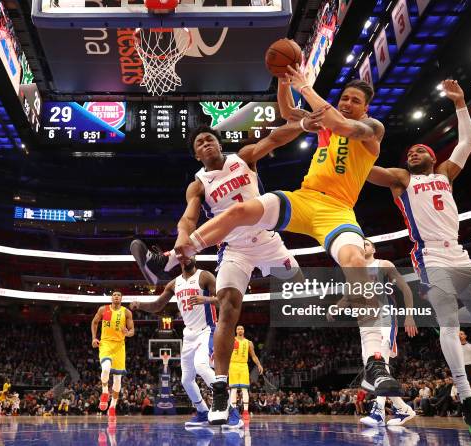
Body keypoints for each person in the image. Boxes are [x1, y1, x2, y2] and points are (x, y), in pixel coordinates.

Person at [167, 73, 402, 402]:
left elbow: (345, 127)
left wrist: (304, 84)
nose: (347, 103)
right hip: (304, 199)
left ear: (366, 109)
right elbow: (290, 112)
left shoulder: (371, 129)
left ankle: (376, 364)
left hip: (336, 211)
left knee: (356, 265)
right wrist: (283, 79)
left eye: (355, 100)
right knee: (238, 212)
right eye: (344, 98)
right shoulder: (326, 124)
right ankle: (176, 254)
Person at [131, 115, 322, 424]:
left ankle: (164, 261)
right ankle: (220, 387)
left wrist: (301, 126)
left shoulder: (243, 158)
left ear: (219, 144)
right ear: (196, 154)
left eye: (209, 139)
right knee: (228, 308)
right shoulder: (198, 184)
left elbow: (273, 139)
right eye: (199, 143)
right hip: (235, 250)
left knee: (299, 285)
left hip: (269, 241)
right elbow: (189, 219)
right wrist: (182, 235)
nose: (206, 144)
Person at [367, 79, 471, 437]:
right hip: (430, 254)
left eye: (419, 151)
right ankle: (470, 402)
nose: (412, 154)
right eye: (409, 152)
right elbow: (366, 170)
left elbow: (468, 141)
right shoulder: (402, 180)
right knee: (451, 324)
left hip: (459, 251)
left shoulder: (445, 174)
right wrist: (351, 138)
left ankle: (448, 315)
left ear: (433, 157)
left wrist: (459, 103)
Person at [131, 258, 243, 428]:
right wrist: (139, 304)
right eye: (183, 256)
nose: (186, 258)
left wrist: (205, 299)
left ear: (195, 257)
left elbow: (224, 300)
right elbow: (157, 306)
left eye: (190, 254)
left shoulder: (204, 276)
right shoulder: (174, 284)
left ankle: (231, 410)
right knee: (186, 380)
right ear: (179, 261)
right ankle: (203, 412)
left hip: (207, 329)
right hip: (189, 334)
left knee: (202, 365)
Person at [359, 238, 417, 426]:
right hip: (365, 323)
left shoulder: (383, 264)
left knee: (380, 363)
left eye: (366, 243)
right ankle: (402, 409)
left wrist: (409, 315)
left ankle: (378, 412)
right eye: (360, 244)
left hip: (385, 317)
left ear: (374, 248)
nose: (363, 245)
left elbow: (405, 288)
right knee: (374, 370)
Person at [91, 290, 135, 418]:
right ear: (111, 298)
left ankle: (112, 406)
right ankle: (105, 392)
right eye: (114, 295)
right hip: (105, 343)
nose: (116, 297)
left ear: (121, 298)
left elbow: (132, 330)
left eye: (119, 295)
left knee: (117, 380)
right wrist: (94, 338)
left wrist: (128, 333)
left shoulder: (126, 312)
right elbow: (94, 322)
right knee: (105, 368)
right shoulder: (103, 309)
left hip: (119, 346)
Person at [229, 325, 263, 422]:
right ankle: (234, 412)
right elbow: (226, 353)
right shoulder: (231, 340)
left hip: (244, 365)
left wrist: (259, 364)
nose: (240, 330)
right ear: (236, 331)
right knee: (234, 389)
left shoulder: (249, 343)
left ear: (244, 331)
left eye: (242, 328)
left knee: (245, 389)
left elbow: (253, 356)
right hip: (233, 365)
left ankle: (245, 412)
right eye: (238, 328)